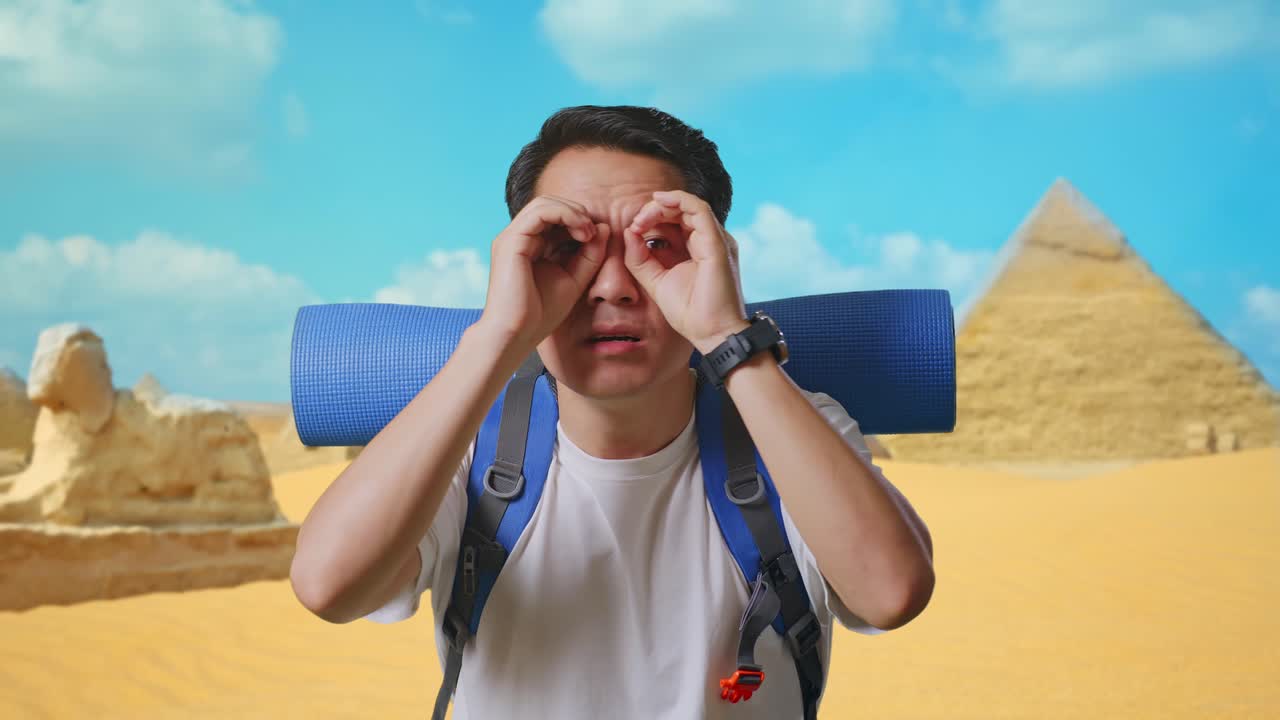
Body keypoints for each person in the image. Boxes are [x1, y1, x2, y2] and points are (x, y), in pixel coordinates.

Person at [289, 105, 935, 719]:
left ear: (714, 257)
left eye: (657, 243)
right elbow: (329, 587)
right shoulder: (469, 443)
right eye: (567, 246)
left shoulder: (791, 425)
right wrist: (498, 336)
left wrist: (726, 334)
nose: (612, 285)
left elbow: (889, 595)